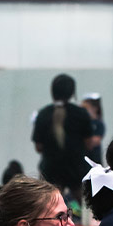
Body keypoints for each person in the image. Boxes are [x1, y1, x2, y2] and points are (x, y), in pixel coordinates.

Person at [32, 74, 93, 204]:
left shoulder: (43, 114)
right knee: (87, 207)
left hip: (50, 171)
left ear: (52, 91)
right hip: (77, 170)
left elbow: (38, 147)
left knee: (49, 206)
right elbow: (89, 144)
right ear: (72, 92)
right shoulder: (81, 114)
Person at [82, 93, 105, 164]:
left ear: (95, 108)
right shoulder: (82, 123)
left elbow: (95, 141)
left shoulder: (98, 123)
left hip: (94, 159)